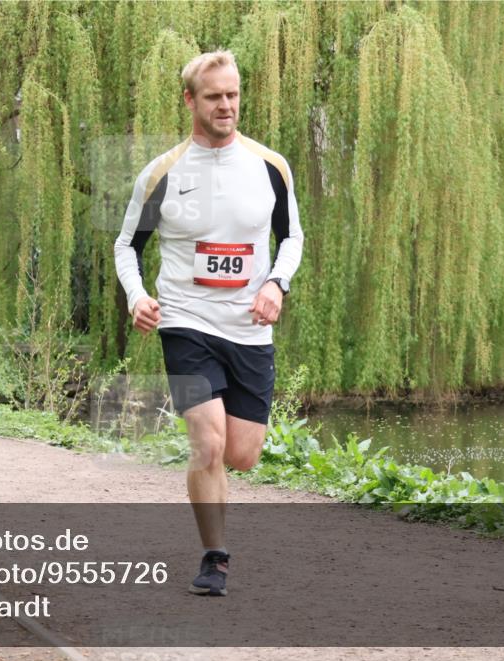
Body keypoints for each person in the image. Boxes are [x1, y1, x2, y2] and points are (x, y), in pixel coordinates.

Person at [114, 50, 303, 596]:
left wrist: (275, 283)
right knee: (210, 443)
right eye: (215, 95)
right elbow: (127, 245)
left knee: (242, 455)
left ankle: (215, 527)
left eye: (234, 94)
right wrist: (136, 296)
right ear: (190, 100)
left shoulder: (271, 166)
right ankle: (214, 558)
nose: (227, 105)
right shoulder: (163, 173)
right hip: (186, 322)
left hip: (249, 327)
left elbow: (291, 236)